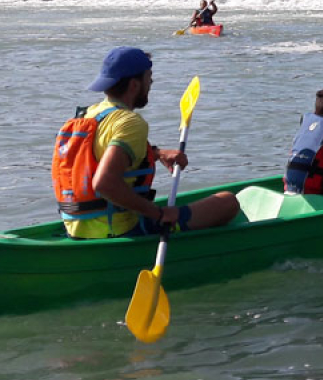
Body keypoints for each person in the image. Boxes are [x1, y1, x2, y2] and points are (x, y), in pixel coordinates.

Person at [52, 47, 239, 239]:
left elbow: (98, 153)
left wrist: (156, 154)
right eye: (148, 76)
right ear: (134, 84)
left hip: (76, 229)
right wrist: (158, 214)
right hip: (119, 230)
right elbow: (104, 183)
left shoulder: (87, 116)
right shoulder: (130, 122)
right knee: (228, 202)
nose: (151, 82)